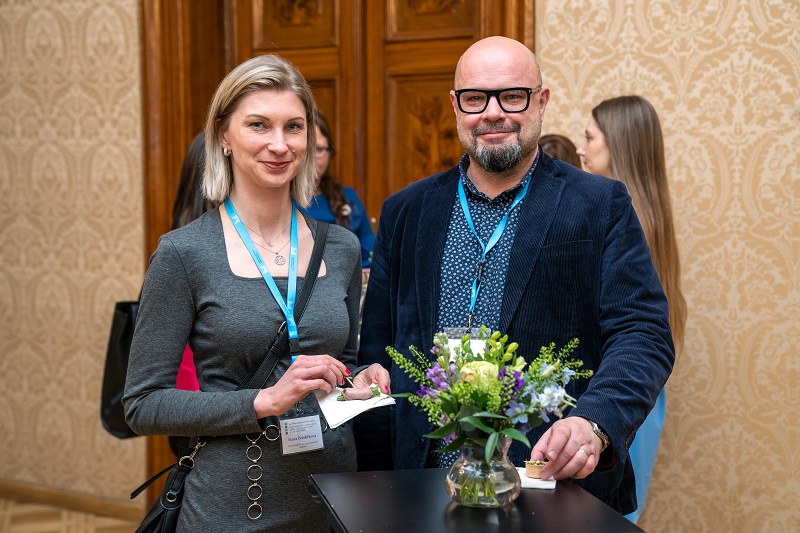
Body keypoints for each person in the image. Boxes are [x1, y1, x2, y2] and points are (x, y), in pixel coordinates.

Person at [353, 36, 675, 515]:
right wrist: (375, 485)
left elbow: (643, 332)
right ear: (456, 105)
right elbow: (377, 354)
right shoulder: (406, 211)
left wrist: (593, 422)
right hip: (420, 489)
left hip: (549, 484)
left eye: (512, 96)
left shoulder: (599, 205)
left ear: (541, 101)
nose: (493, 112)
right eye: (475, 98)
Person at [123, 54, 390, 532]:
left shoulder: (342, 248)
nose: (279, 144)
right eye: (258, 125)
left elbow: (340, 364)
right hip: (234, 504)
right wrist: (261, 401)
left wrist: (358, 381)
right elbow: (143, 404)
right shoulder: (184, 253)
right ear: (223, 135)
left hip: (333, 497)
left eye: (294, 127)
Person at [577, 94, 687, 523]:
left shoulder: (622, 222)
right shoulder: (649, 212)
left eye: (590, 139)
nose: (581, 149)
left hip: (616, 395)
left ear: (619, 146)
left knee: (603, 514)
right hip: (641, 397)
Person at [300, 111, 375, 268]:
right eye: (305, 149)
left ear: (330, 154)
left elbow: (371, 257)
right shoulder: (278, 200)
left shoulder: (347, 197)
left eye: (318, 149)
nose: (310, 157)